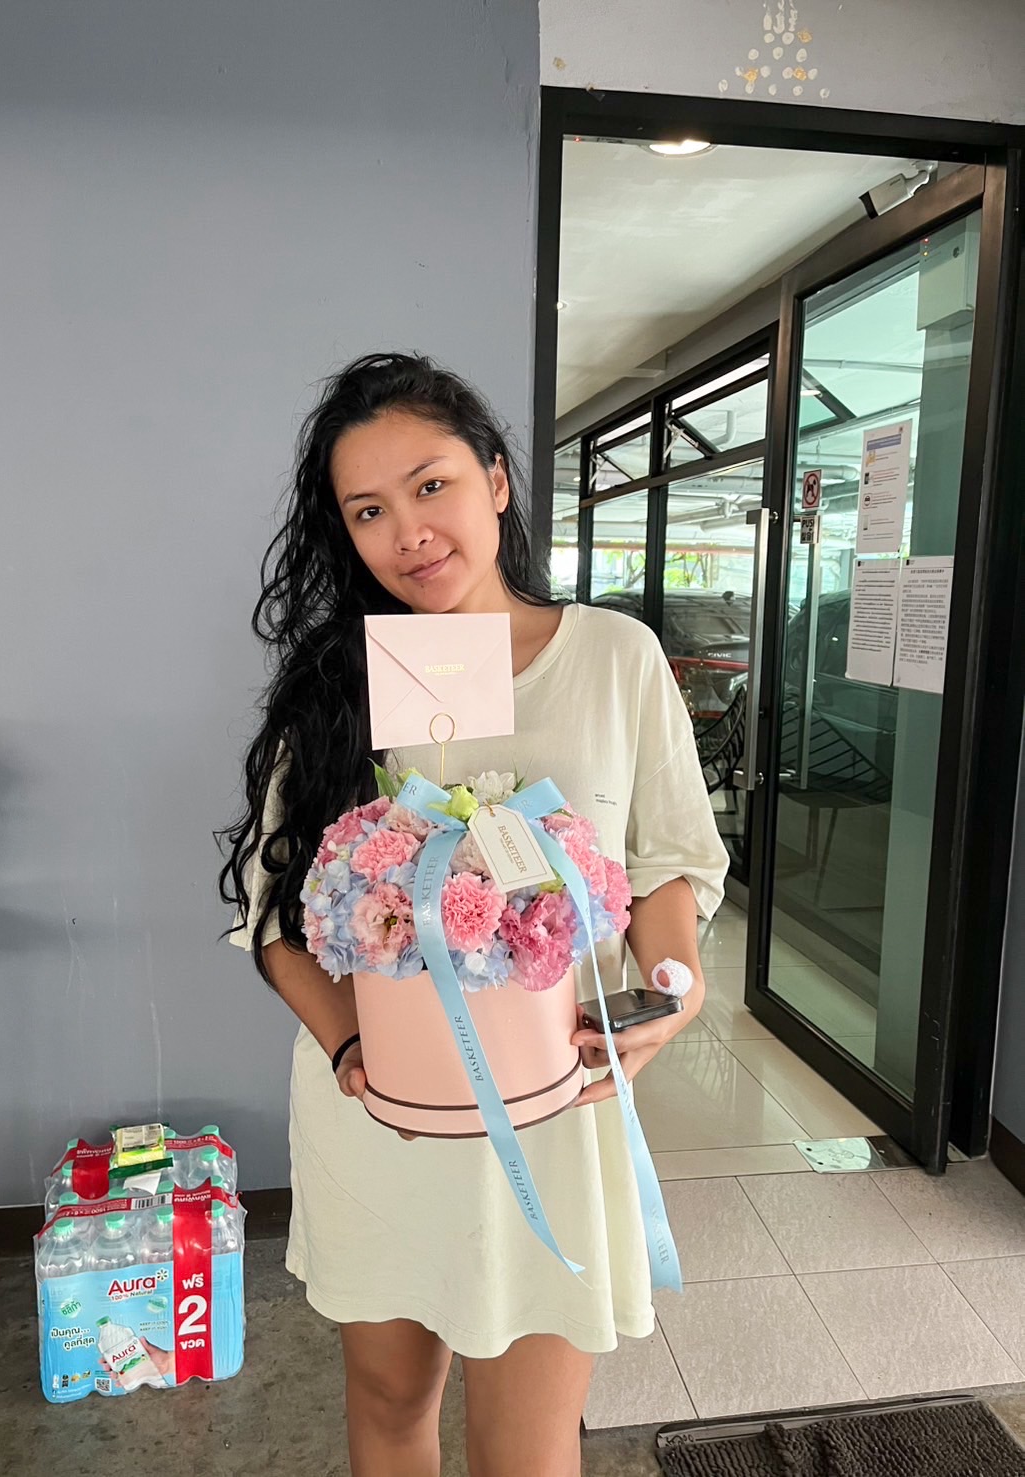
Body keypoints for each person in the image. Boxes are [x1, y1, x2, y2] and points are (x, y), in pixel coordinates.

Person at [219, 351, 728, 1477]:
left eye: (431, 484)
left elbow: (671, 865)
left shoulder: (614, 655)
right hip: (386, 1113)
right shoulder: (339, 682)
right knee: (391, 1400)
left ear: (495, 479)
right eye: (369, 509)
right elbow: (271, 913)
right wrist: (351, 1042)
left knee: (529, 1435)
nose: (409, 529)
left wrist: (668, 998)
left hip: (555, 1104)